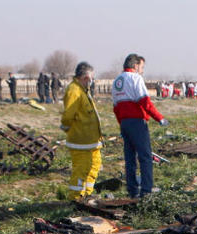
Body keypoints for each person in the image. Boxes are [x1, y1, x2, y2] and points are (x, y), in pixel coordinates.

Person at [112, 53, 167, 197]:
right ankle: (146, 191)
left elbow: (116, 107)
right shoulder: (136, 78)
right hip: (137, 122)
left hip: (124, 123)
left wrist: (121, 124)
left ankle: (132, 190)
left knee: (130, 158)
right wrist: (159, 118)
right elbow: (145, 102)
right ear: (135, 66)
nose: (142, 70)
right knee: (145, 157)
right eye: (142, 67)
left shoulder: (117, 81)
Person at [61, 61, 102, 201]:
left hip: (91, 141)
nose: (91, 82)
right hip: (81, 141)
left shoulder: (83, 90)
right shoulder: (74, 90)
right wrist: (69, 129)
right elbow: (68, 115)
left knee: (94, 165)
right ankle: (76, 199)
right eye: (91, 78)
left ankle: (87, 194)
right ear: (85, 78)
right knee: (81, 169)